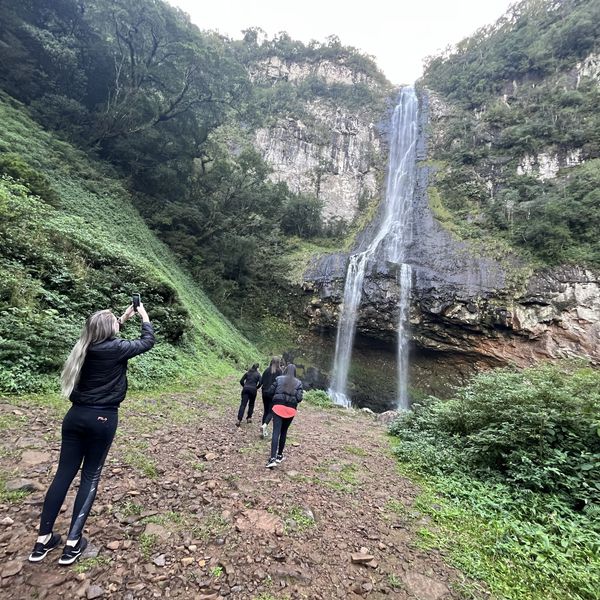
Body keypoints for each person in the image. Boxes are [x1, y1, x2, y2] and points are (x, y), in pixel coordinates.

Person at [28, 303, 154, 565]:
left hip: (75, 416)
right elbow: (147, 341)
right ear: (109, 331)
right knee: (90, 475)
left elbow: (105, 331)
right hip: (103, 417)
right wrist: (143, 316)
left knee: (63, 474)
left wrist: (123, 317)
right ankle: (73, 543)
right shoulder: (116, 349)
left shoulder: (83, 347)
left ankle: (42, 541)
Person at [265, 363, 303, 468]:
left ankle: (272, 458)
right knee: (284, 432)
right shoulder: (299, 383)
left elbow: (270, 392)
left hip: (278, 408)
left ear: (285, 370)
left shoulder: (278, 379)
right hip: (291, 410)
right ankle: (279, 455)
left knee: (276, 432)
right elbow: (299, 398)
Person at [259, 357, 282, 438]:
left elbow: (261, 381)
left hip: (264, 392)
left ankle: (263, 429)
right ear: (278, 363)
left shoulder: (266, 370)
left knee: (265, 411)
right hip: (273, 394)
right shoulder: (279, 372)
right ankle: (265, 426)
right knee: (271, 411)